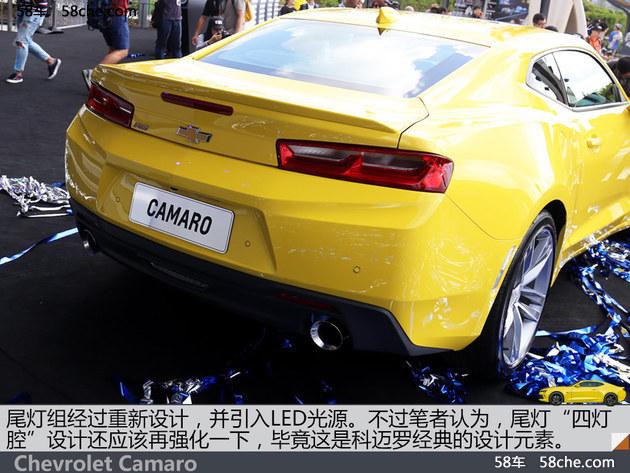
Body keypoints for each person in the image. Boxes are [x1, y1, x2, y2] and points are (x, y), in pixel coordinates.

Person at [6, 0, 61, 84]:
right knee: (26, 40)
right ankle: (51, 61)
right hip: (22, 8)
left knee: (21, 41)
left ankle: (18, 73)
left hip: (35, 9)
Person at [82, 0, 130, 88]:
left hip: (105, 17)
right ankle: (94, 74)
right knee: (122, 51)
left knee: (113, 50)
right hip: (117, 16)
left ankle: (104, 77)